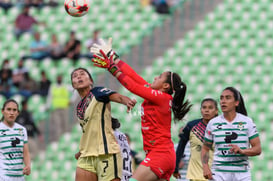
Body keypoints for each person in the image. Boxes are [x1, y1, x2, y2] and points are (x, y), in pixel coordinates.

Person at [91, 38, 192, 181]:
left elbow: (132, 86)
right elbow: (133, 76)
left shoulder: (161, 97)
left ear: (166, 87)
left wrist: (111, 68)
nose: (155, 77)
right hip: (159, 154)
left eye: (160, 77)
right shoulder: (156, 95)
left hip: (160, 155)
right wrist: (112, 56)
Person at [71, 67, 136, 181]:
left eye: (82, 74)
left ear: (91, 81)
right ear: (73, 85)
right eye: (75, 76)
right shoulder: (79, 107)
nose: (78, 77)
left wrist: (127, 102)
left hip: (107, 153)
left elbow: (118, 97)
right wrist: (82, 151)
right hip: (86, 156)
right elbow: (89, 131)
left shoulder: (97, 92)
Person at [201, 87, 262, 181]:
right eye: (221, 98)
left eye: (227, 98)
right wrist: (205, 167)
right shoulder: (213, 123)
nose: (223, 101)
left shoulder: (247, 122)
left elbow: (257, 149)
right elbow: (205, 148)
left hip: (242, 174)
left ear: (236, 103)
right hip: (219, 173)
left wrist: (242, 151)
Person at [173, 98, 218, 181]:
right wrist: (175, 168)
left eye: (210, 108)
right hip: (196, 175)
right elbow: (181, 146)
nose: (207, 110)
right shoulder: (191, 126)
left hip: (217, 174)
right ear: (201, 110)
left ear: (216, 111)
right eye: (204, 108)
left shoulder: (223, 127)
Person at [0, 99, 31, 180]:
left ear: (18, 113)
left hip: (19, 177)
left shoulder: (22, 130)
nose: (11, 112)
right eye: (8, 109)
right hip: (4, 176)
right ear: (2, 111)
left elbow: (25, 152)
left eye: (14, 110)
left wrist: (28, 165)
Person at [46, 74, 71, 142]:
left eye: (60, 77)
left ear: (62, 78)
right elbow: (50, 97)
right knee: (57, 125)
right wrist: (48, 106)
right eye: (58, 78)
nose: (59, 79)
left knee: (65, 124)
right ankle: (59, 141)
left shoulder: (66, 86)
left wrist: (71, 100)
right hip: (56, 108)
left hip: (64, 107)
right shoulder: (53, 86)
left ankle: (66, 140)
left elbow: (75, 91)